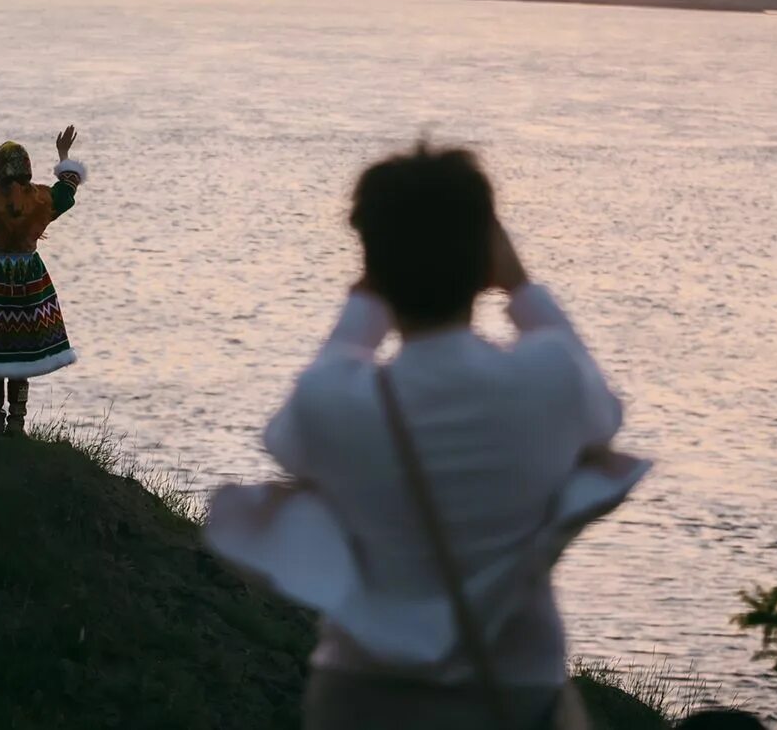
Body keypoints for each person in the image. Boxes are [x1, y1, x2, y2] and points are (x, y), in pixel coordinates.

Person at [203, 145, 643, 730]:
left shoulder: (334, 399)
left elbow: (288, 437)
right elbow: (605, 414)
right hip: (512, 686)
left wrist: (366, 301)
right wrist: (521, 286)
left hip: (360, 693)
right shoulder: (549, 379)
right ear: (487, 252)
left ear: (371, 259)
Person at [0, 123, 86, 436]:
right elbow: (69, 186)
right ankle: (17, 422)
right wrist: (63, 154)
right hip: (28, 278)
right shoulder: (41, 200)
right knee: (21, 353)